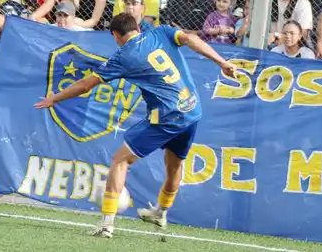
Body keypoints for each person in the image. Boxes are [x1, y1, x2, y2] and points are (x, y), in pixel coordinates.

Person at [34, 13, 236, 238]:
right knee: (174, 164)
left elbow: (84, 85)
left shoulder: (122, 57)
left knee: (119, 160)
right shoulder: (161, 32)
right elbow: (191, 39)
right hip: (192, 109)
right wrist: (222, 62)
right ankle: (160, 211)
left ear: (115, 35)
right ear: (138, 28)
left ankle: (106, 225)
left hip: (169, 116)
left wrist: (54, 98)